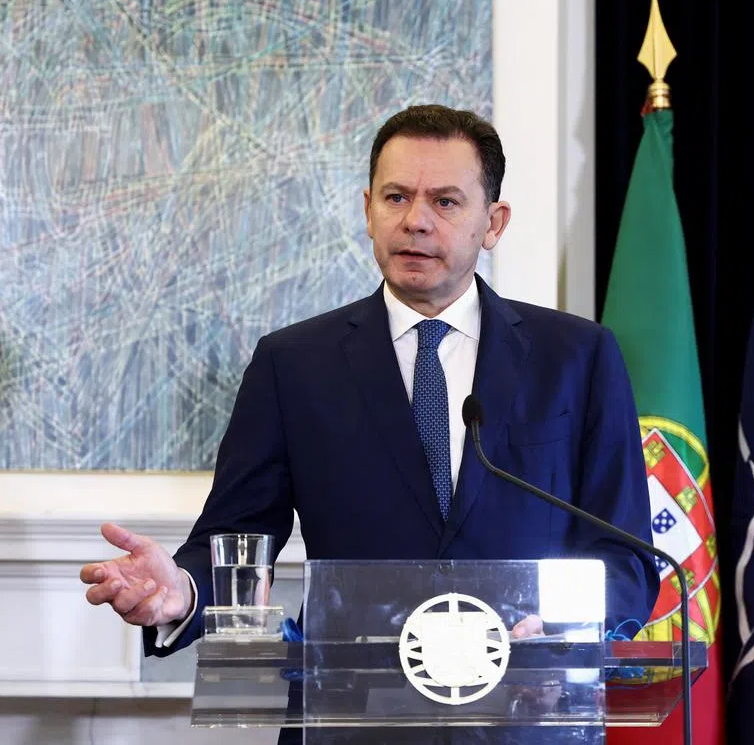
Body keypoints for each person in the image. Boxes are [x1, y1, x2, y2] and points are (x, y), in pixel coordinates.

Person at [80, 104, 660, 659]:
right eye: (397, 197)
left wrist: (561, 628)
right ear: (368, 211)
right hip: (350, 709)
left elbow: (624, 556)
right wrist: (182, 590)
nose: (416, 220)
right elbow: (236, 533)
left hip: (528, 705)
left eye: (446, 201)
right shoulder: (293, 364)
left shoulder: (577, 359)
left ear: (494, 223)